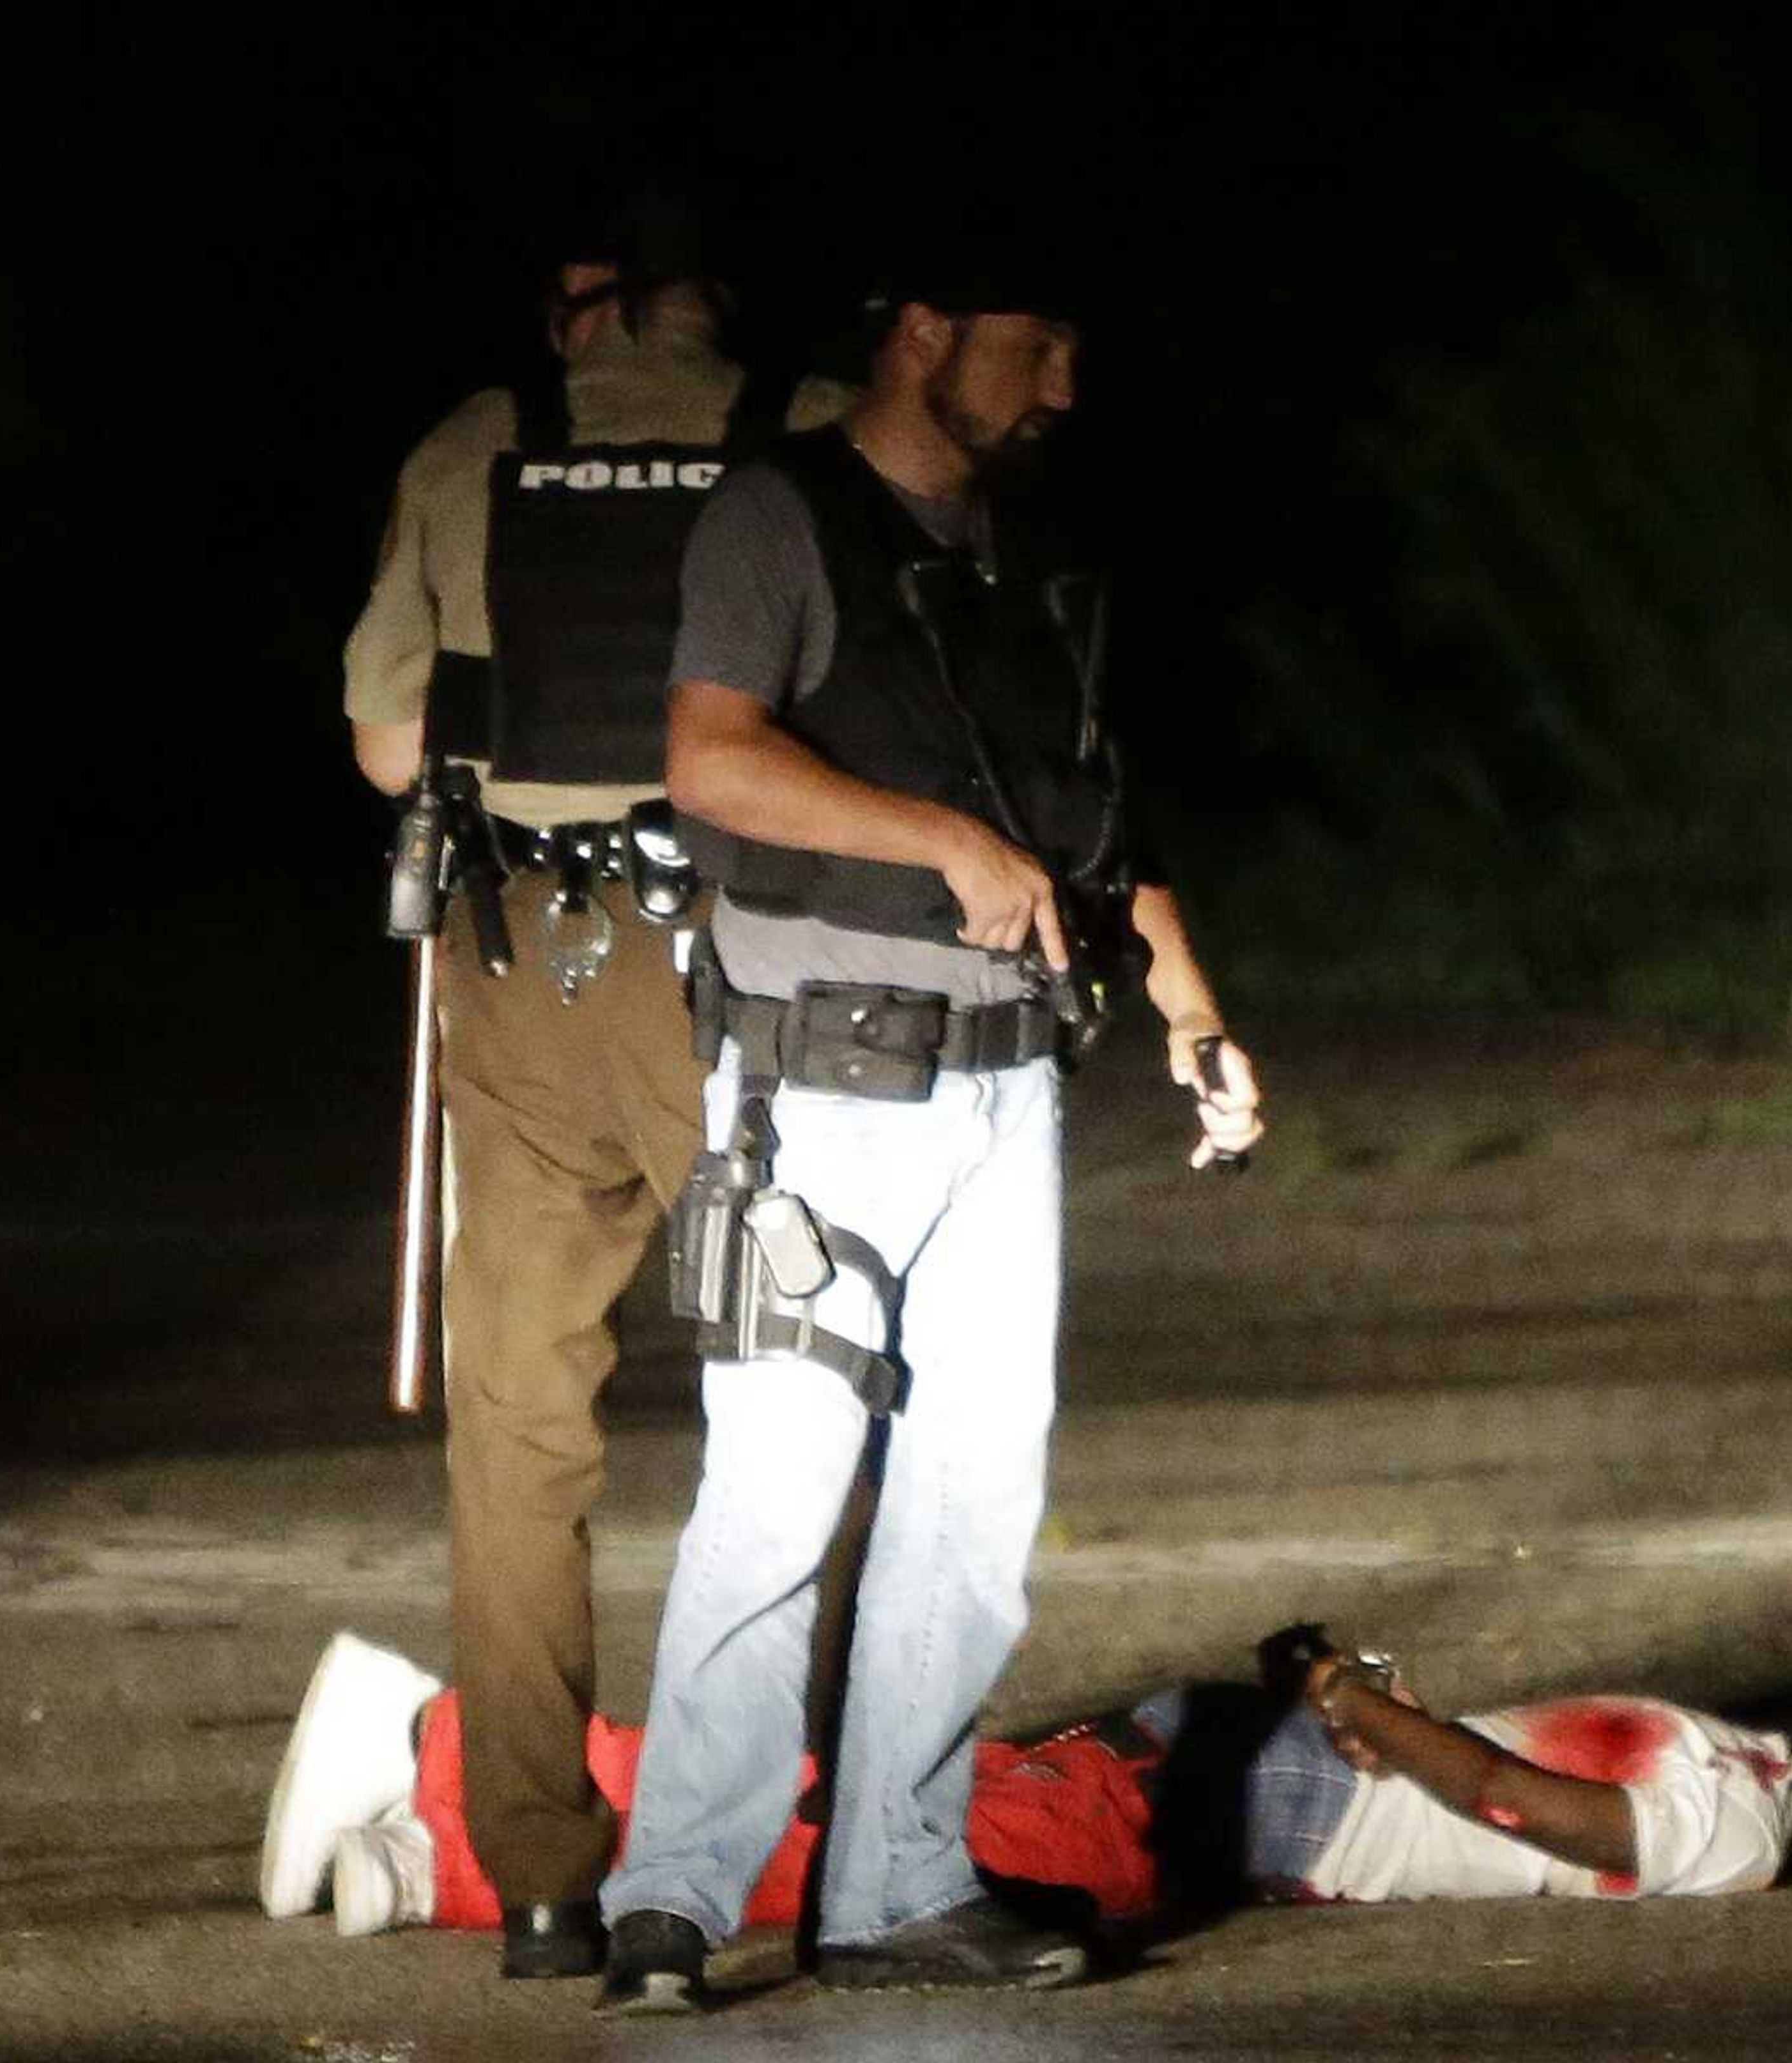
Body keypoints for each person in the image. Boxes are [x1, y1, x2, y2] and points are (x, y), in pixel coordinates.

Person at [590, 261, 1266, 2009]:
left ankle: (896, 1883)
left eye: (1073, 351)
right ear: (922, 333)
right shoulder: (782, 517)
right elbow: (714, 763)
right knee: (779, 1488)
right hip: (814, 1089)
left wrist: (1190, 1005)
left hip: (1006, 1083)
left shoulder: (1031, 554)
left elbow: (1103, 814)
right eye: (1035, 346)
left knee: (976, 1507)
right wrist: (938, 845)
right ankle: (672, 1893)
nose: (1060, 388)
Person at [325, 198, 836, 1982]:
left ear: (578, 303)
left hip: (523, 964)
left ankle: (544, 1873)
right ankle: (820, 1829)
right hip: (757, 966)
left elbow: (393, 743)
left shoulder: (478, 445)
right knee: (814, 1389)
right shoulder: (816, 432)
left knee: (521, 1433)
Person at [259, 1630, 1792, 1956]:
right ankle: (441, 1738)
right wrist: (1371, 1723)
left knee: (845, 1858)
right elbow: (1541, 1812)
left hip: (1255, 1789)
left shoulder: (1745, 1762)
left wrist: (1349, 1709)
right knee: (866, 1849)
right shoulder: (1737, 1822)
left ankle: (439, 1862)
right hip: (1268, 1809)